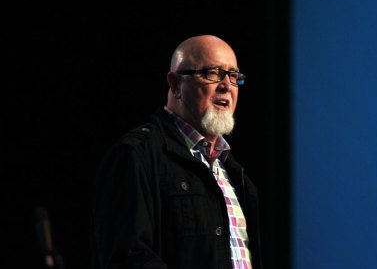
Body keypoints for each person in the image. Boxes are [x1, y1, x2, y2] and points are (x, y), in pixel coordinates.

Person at [91, 35, 262, 269]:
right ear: (175, 85)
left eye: (233, 76)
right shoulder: (136, 155)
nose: (226, 86)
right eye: (212, 73)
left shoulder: (234, 174)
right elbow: (127, 257)